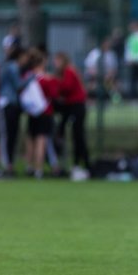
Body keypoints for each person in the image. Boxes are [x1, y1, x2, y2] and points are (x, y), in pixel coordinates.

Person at [52, 52, 91, 181]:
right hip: (71, 107)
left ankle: (82, 164)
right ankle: (73, 164)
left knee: (78, 136)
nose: (55, 64)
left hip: (76, 106)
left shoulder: (69, 71)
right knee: (70, 133)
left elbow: (66, 87)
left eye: (57, 61)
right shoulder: (65, 73)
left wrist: (55, 84)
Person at [20, 49, 56, 179]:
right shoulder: (45, 79)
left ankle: (28, 165)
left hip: (32, 112)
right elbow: (53, 94)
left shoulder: (28, 77)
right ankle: (38, 169)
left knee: (30, 139)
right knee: (41, 140)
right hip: (44, 112)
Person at [0, 43, 26, 172]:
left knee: (12, 135)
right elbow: (18, 85)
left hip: (13, 105)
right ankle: (6, 163)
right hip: (7, 103)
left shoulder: (14, 68)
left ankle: (9, 162)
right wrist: (33, 77)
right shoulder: (12, 67)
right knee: (7, 135)